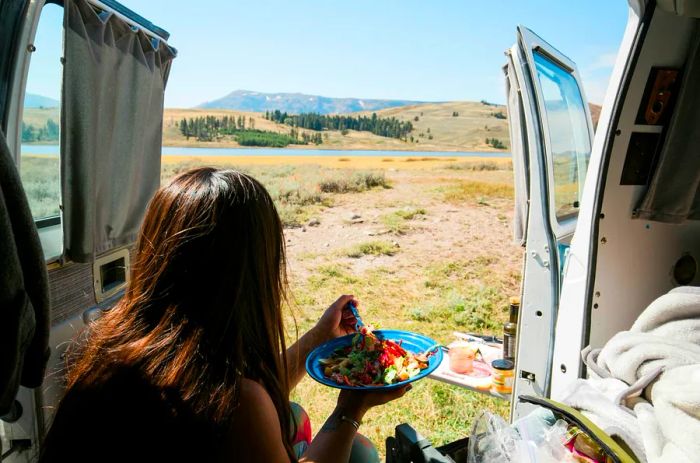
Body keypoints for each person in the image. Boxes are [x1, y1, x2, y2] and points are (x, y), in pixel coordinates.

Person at [39, 167, 409, 463]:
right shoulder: (235, 401)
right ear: (249, 274)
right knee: (359, 451)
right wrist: (349, 408)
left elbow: (252, 400)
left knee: (293, 414)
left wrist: (317, 338)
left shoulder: (121, 346)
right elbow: (245, 405)